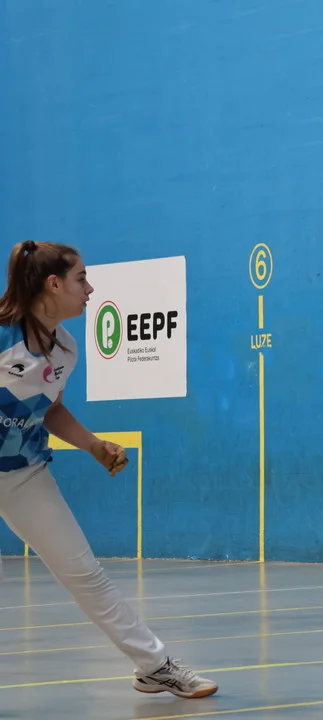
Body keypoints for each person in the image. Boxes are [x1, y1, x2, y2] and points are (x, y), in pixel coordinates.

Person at [0, 240, 219, 698]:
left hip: (22, 475)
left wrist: (94, 446)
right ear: (53, 284)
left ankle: (154, 666)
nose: (90, 289)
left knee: (86, 574)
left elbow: (50, 410)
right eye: (81, 279)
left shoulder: (65, 349)